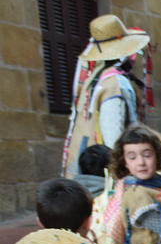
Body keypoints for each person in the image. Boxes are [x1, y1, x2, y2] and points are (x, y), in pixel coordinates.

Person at [62, 15, 150, 178]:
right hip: (101, 169)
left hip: (86, 162)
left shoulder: (96, 78)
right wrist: (119, 170)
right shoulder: (114, 83)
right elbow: (113, 134)